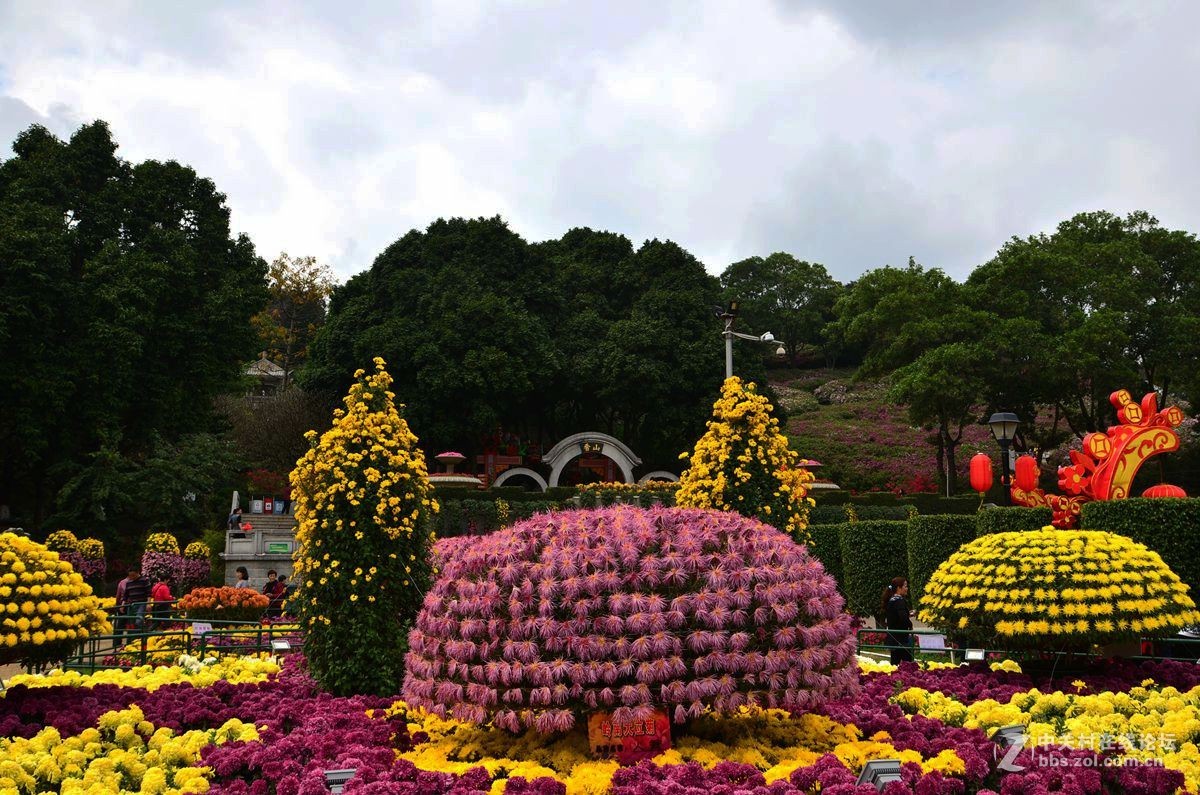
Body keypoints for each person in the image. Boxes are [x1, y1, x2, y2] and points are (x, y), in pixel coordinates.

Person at [880, 576, 914, 664]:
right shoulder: (899, 601)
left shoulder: (891, 600)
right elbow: (902, 617)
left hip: (893, 638)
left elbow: (895, 616)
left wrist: (908, 614)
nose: (907, 588)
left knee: (894, 664)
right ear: (899, 588)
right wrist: (910, 624)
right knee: (908, 664)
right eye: (905, 586)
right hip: (901, 639)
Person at [118, 568, 152, 635]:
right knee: (131, 622)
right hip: (132, 604)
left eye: (133, 575)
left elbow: (149, 593)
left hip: (142, 603)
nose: (131, 577)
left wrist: (148, 604)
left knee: (138, 621)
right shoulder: (129, 582)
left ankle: (141, 635)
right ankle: (134, 638)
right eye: (130, 575)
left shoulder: (145, 580)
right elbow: (126, 596)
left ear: (137, 573)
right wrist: (122, 605)